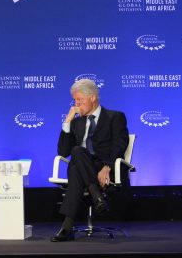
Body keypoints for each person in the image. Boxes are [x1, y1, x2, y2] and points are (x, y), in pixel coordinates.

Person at [51, 78, 129, 242]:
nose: (76, 104)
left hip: (103, 167)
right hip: (82, 163)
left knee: (75, 168)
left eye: (80, 100)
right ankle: (97, 196)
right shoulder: (77, 122)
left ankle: (67, 227)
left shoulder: (115, 117)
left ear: (93, 97)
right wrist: (67, 122)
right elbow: (63, 152)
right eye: (75, 100)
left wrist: (107, 166)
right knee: (77, 152)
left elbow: (120, 144)